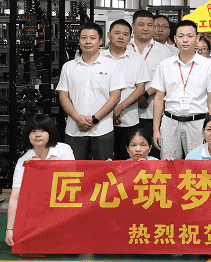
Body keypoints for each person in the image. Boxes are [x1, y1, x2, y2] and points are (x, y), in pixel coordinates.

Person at [150, 20, 211, 160]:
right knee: (169, 165)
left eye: (189, 36)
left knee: (199, 164)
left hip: (198, 123)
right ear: (175, 39)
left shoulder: (209, 66)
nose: (185, 40)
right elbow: (159, 99)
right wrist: (156, 129)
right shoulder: (165, 65)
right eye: (181, 36)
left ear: (197, 38)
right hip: (170, 122)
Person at [5, 115, 74, 247]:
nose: (38, 135)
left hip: (63, 203)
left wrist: (43, 167)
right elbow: (15, 197)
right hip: (38, 206)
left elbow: (70, 182)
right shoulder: (23, 161)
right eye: (33, 131)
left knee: (67, 247)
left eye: (43, 130)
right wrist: (10, 229)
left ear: (50, 133)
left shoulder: (64, 150)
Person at [57, 22, 123, 160]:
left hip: (102, 129)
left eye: (92, 38)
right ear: (79, 41)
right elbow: (63, 96)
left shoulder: (113, 65)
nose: (88, 41)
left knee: (103, 170)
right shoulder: (69, 67)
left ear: (100, 41)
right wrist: (77, 118)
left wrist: (95, 119)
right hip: (74, 129)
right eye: (84, 38)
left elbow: (115, 97)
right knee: (75, 170)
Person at [102, 19, 149, 160]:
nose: (121, 37)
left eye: (125, 34)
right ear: (108, 35)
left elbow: (140, 89)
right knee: (104, 160)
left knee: (126, 160)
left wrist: (119, 108)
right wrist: (110, 111)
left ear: (130, 37)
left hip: (128, 120)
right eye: (117, 33)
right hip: (101, 120)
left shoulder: (137, 59)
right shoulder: (99, 57)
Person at [131, 11, 174, 158]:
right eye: (141, 24)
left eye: (150, 25)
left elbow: (164, 79)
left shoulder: (163, 51)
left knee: (151, 152)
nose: (146, 28)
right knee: (127, 153)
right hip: (125, 112)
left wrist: (144, 94)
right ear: (133, 25)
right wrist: (133, 98)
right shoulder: (125, 47)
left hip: (150, 111)